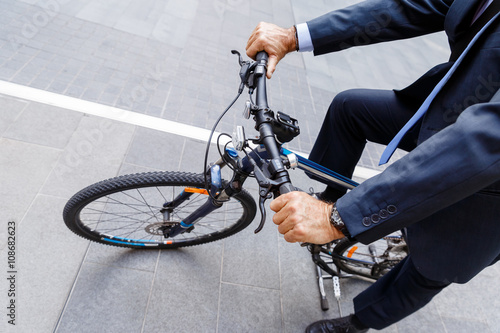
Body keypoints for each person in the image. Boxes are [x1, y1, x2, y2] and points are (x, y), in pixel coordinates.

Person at [246, 0, 500, 332]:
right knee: (350, 109)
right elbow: (411, 8)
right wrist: (294, 36)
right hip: (453, 109)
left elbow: (487, 139)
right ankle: (327, 198)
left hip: (490, 174)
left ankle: (356, 324)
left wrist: (341, 218)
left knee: (430, 268)